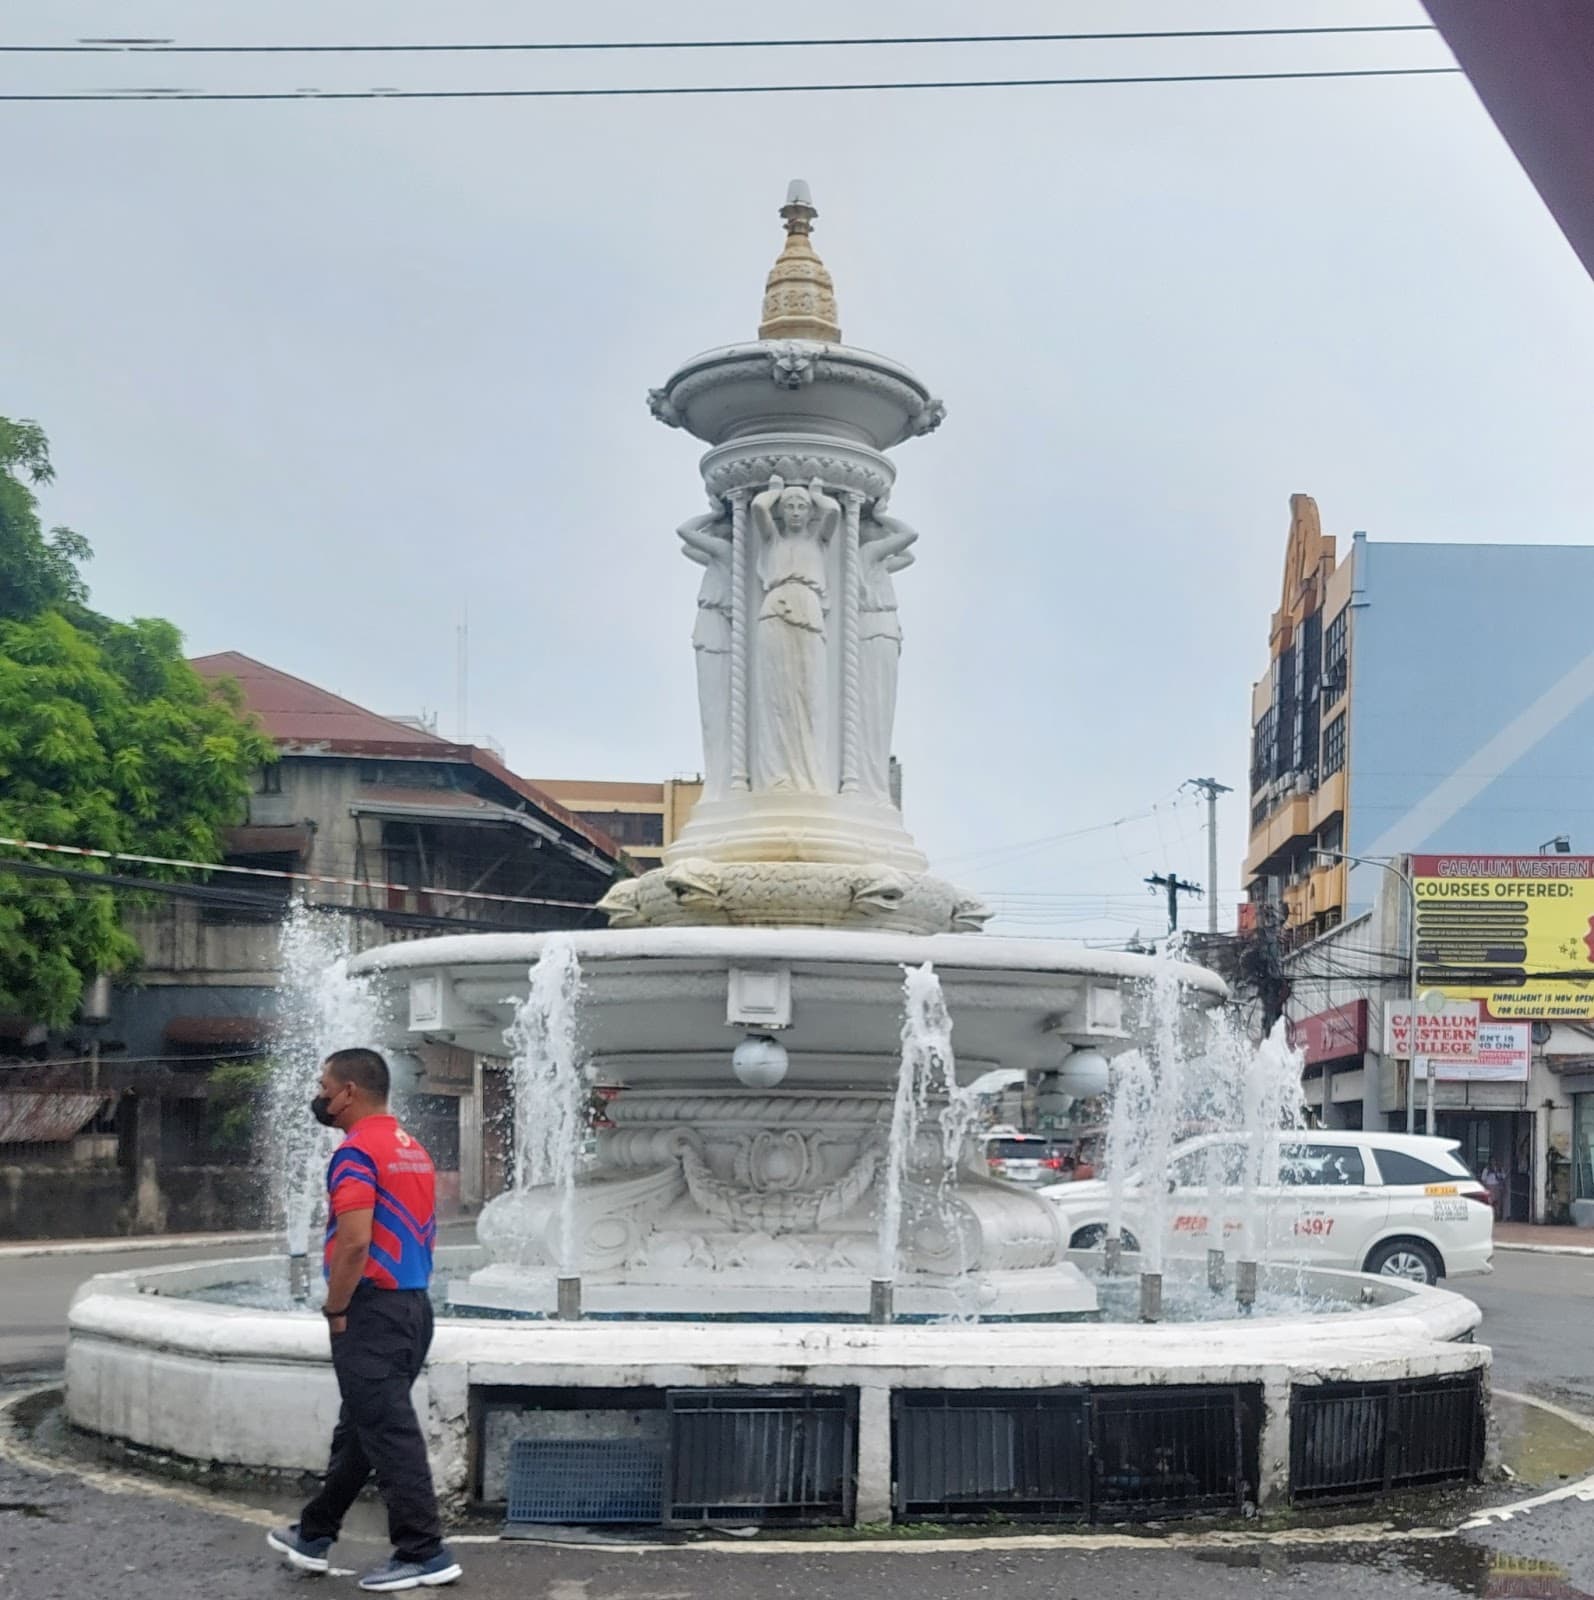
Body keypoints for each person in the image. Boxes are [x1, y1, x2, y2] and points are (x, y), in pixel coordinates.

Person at [268, 1048, 460, 1592]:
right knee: (361, 1430)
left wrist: (335, 1306)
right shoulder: (412, 1149)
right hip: (413, 1307)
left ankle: (424, 1552)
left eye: (324, 1085)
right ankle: (314, 1533)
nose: (320, 1095)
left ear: (348, 1091)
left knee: (390, 1433)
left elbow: (354, 1243)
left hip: (372, 1311)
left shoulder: (355, 1153)